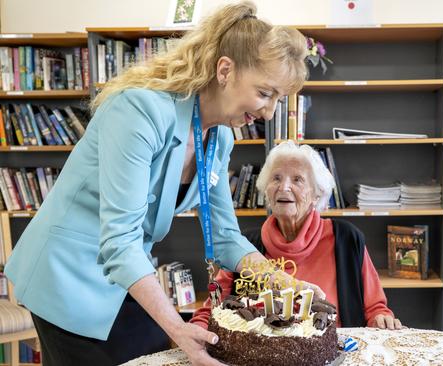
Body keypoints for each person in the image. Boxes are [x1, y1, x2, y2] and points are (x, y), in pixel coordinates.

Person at [4, 2, 324, 366]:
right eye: (265, 93)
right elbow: (121, 240)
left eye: (277, 99)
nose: (268, 112)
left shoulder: (219, 139)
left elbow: (223, 236)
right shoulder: (138, 112)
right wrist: (177, 328)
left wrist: (278, 280)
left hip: (124, 272)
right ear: (225, 70)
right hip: (67, 275)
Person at [190, 141, 402, 330]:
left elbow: (374, 308)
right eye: (276, 178)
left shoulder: (346, 238)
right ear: (266, 190)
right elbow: (210, 310)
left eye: (298, 179)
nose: (284, 187)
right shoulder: (243, 247)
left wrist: (381, 319)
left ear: (316, 193)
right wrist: (197, 329)